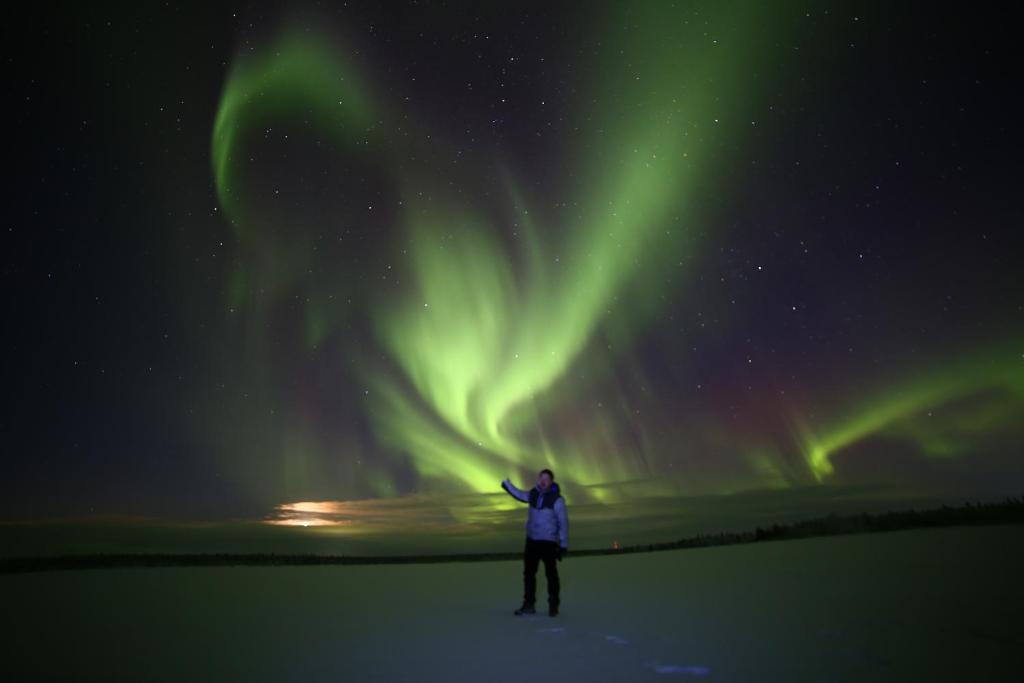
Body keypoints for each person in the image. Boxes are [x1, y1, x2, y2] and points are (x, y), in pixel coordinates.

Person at [501, 469, 569, 616]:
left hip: (548, 542)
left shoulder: (557, 500)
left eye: (546, 479)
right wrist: (507, 485)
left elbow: (563, 522)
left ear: (551, 482)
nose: (543, 481)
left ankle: (553, 603)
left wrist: (563, 543)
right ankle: (529, 605)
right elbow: (519, 494)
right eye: (541, 478)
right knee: (529, 574)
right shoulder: (532, 494)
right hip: (532, 541)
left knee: (551, 574)